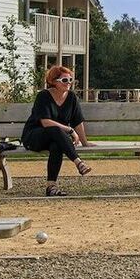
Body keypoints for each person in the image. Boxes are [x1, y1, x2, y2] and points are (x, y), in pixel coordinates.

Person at [21, 66, 94, 196]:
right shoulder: (43, 96)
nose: (69, 83)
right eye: (65, 80)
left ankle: (51, 187)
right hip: (35, 137)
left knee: (57, 145)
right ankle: (79, 163)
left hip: (56, 138)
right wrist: (70, 130)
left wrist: (85, 142)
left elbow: (78, 121)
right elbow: (45, 122)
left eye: (71, 79)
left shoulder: (71, 97)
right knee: (55, 129)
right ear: (54, 81)